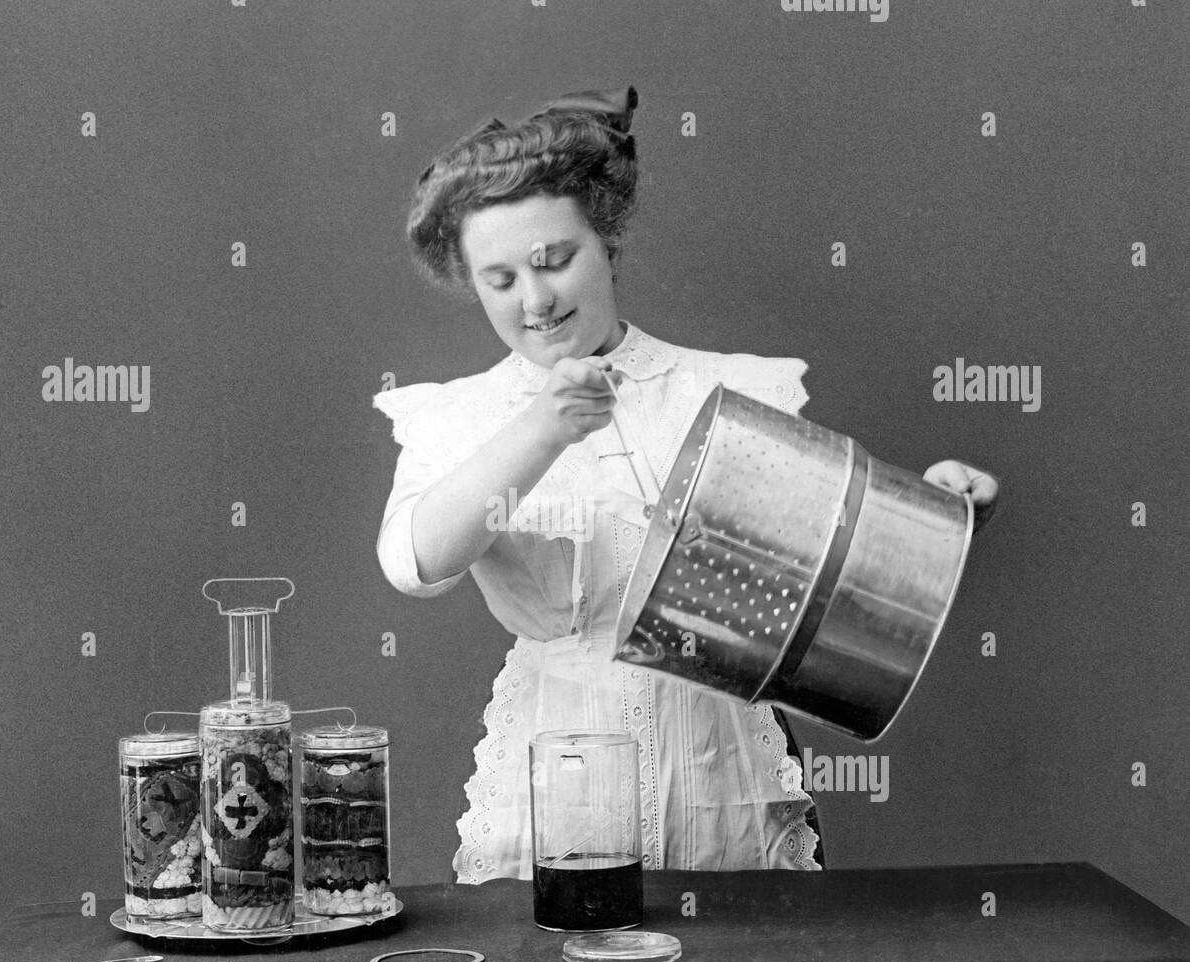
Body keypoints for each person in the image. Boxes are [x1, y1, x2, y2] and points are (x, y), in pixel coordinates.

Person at [373, 86, 999, 884]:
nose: (534, 301)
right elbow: (414, 564)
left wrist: (940, 510)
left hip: (722, 770)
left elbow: (829, 563)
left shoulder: (726, 392)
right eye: (499, 280)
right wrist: (541, 429)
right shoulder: (459, 418)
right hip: (554, 778)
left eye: (555, 260)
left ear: (609, 248)